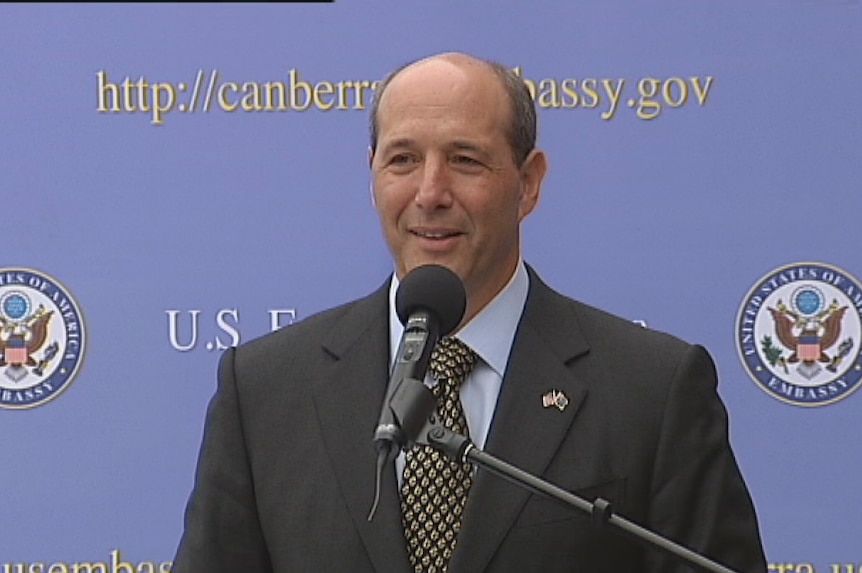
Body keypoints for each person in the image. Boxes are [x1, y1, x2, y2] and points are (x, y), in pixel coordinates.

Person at [171, 51, 767, 573]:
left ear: (528, 183)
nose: (430, 192)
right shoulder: (264, 388)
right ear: (373, 176)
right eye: (403, 160)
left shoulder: (652, 389)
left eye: (465, 160)